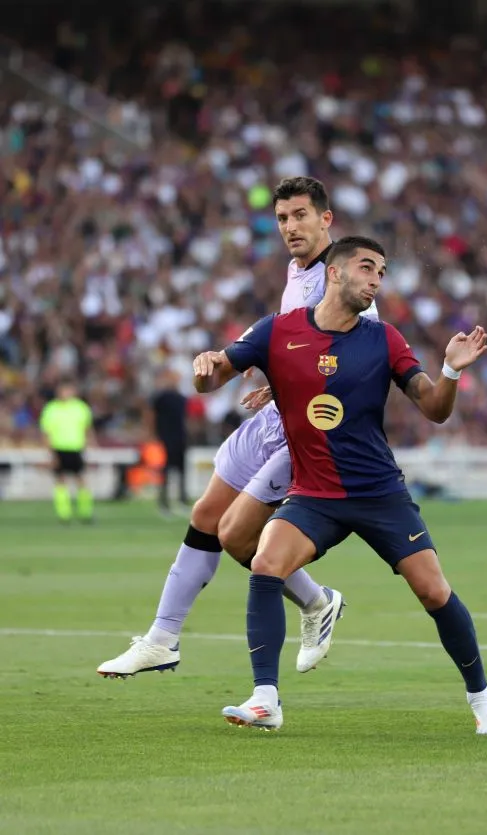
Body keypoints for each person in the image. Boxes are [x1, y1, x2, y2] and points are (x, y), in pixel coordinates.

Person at [192, 236, 487, 735]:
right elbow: (213, 378)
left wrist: (450, 370)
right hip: (314, 495)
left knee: (432, 591)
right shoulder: (278, 332)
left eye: (381, 272)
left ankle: (482, 698)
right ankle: (265, 698)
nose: (376, 279)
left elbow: (434, 409)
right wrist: (205, 367)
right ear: (334, 273)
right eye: (366, 267)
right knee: (266, 562)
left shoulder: (384, 339)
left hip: (379, 494)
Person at [98, 177, 368, 679]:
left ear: (326, 218)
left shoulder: (346, 278)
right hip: (277, 414)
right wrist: (274, 376)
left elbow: (357, 360)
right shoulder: (298, 270)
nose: (290, 227)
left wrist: (287, 378)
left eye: (301, 215)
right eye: (283, 218)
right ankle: (161, 640)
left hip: (311, 431)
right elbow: (301, 338)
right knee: (206, 514)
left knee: (237, 535)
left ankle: (314, 606)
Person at [39, 380, 95, 524]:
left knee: (81, 479)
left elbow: (88, 429)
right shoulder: (51, 408)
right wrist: (50, 452)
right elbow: (46, 432)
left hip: (76, 448)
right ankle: (64, 513)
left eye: (68, 390)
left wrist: (91, 446)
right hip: (58, 448)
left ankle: (85, 512)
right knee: (60, 480)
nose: (65, 393)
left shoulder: (81, 408)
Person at [150, 368, 189, 517]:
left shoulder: (181, 398)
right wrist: (153, 434)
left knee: (181, 471)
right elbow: (151, 415)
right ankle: (164, 503)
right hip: (165, 439)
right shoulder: (161, 398)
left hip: (179, 438)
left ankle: (181, 501)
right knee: (165, 472)